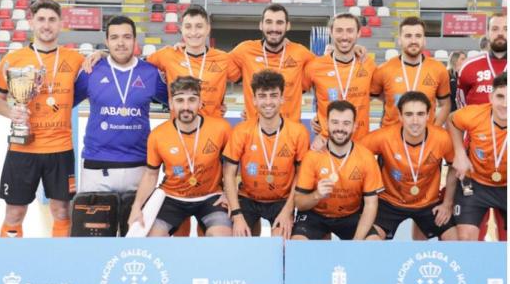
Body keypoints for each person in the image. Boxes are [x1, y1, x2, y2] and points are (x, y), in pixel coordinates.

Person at [0, 0, 85, 237]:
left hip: (60, 148)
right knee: (14, 213)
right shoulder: (12, 60)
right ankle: (9, 256)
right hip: (23, 147)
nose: (46, 25)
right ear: (31, 22)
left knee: (62, 211)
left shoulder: (76, 59)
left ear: (61, 24)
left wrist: (100, 54)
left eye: (52, 20)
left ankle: (58, 257)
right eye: (41, 19)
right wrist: (11, 112)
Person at [69, 16, 166, 235]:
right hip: (97, 168)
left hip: (140, 169)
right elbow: (66, 103)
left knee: (135, 240)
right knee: (94, 240)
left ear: (135, 40)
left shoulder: (150, 73)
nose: (120, 43)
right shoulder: (91, 71)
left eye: (126, 37)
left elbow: (178, 101)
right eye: (114, 38)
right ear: (106, 41)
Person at [127, 76, 233, 237]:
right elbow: (151, 174)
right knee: (153, 238)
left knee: (222, 237)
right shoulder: (158, 135)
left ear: (200, 103)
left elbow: (233, 167)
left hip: (211, 196)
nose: (186, 107)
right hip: (171, 197)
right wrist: (136, 207)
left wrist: (230, 195)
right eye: (179, 100)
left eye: (192, 100)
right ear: (171, 104)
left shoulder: (221, 128)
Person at [360, 91, 458, 240]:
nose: (415, 121)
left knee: (456, 240)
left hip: (428, 204)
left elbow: (454, 166)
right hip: (388, 202)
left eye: (420, 114)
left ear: (428, 115)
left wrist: (447, 204)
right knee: (370, 241)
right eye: (409, 114)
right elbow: (354, 154)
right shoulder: (383, 137)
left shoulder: (442, 138)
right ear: (400, 116)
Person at [223, 70, 309, 238]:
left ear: (282, 98)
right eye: (262, 96)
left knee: (280, 242)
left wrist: (288, 211)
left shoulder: (298, 132)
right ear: (254, 100)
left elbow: (301, 176)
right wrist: (237, 214)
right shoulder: (241, 131)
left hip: (281, 200)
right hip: (247, 197)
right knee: (239, 239)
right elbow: (229, 173)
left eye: (273, 95)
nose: (268, 102)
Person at [292, 101, 384, 240]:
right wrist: (317, 195)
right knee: (298, 243)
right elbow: (299, 203)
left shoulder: (366, 157)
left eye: (346, 123)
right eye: (335, 122)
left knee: (373, 242)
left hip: (350, 215)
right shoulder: (312, 156)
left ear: (354, 126)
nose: (340, 128)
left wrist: (357, 241)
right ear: (327, 124)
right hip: (315, 215)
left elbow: (371, 204)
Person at [228, 4, 317, 123]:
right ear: (261, 25)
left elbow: (325, 72)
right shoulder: (244, 50)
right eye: (269, 22)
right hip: (254, 129)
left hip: (291, 130)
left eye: (279, 23)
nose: (274, 28)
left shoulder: (301, 53)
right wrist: (219, 104)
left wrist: (321, 116)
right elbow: (216, 67)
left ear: (288, 26)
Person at [147, 5, 239, 117]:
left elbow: (249, 77)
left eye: (199, 26)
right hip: (179, 125)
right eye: (188, 27)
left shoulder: (224, 58)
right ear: (181, 29)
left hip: (214, 125)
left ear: (208, 29)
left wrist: (250, 110)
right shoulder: (167, 55)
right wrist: (162, 98)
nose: (193, 32)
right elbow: (137, 69)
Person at [448, 72, 507, 241]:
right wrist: (460, 153)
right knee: (465, 238)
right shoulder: (474, 114)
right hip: (475, 183)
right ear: (491, 97)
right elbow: (451, 120)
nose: (505, 104)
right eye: (500, 96)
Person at [304, 13, 376, 143]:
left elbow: (380, 94)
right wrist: (318, 116)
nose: (344, 36)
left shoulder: (368, 64)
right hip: (326, 144)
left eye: (350, 31)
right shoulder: (315, 66)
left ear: (358, 33)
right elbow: (290, 93)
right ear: (330, 32)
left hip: (361, 144)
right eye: (339, 30)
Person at [370, 16, 451, 128]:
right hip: (391, 135)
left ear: (424, 40)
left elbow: (445, 104)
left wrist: (434, 129)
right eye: (408, 36)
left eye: (418, 36)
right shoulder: (383, 69)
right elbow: (371, 97)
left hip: (425, 134)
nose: (413, 41)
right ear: (399, 40)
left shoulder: (438, 69)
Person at [457, 13, 507, 108]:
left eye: (506, 29)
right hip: (475, 118)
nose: (500, 33)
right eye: (495, 29)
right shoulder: (469, 66)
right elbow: (461, 103)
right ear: (487, 34)